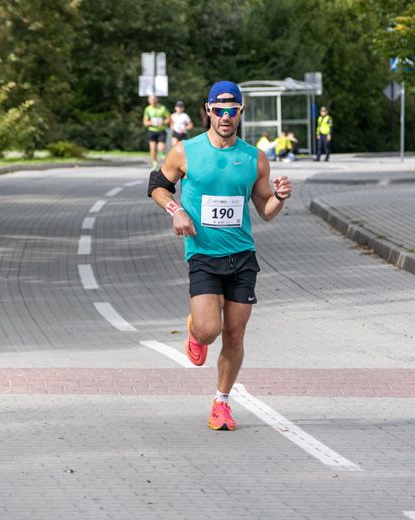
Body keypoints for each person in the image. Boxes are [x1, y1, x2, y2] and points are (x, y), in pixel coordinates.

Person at [147, 80, 293, 431]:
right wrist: (176, 211)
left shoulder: (255, 158)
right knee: (210, 330)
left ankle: (222, 403)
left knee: (235, 335)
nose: (226, 116)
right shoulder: (186, 151)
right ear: (208, 111)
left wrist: (280, 197)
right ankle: (196, 332)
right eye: (219, 109)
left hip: (242, 256)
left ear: (241, 112)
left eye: (233, 110)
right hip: (203, 253)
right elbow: (156, 185)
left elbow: (264, 210)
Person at [143, 94, 171, 169]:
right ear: (149, 101)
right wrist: (151, 122)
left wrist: (163, 122)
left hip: (161, 130)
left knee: (161, 147)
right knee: (152, 148)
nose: (152, 101)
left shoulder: (162, 108)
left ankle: (162, 152)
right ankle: (154, 163)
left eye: (154, 99)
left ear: (157, 100)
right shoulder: (147, 109)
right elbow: (145, 122)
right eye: (151, 100)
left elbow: (169, 119)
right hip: (152, 131)